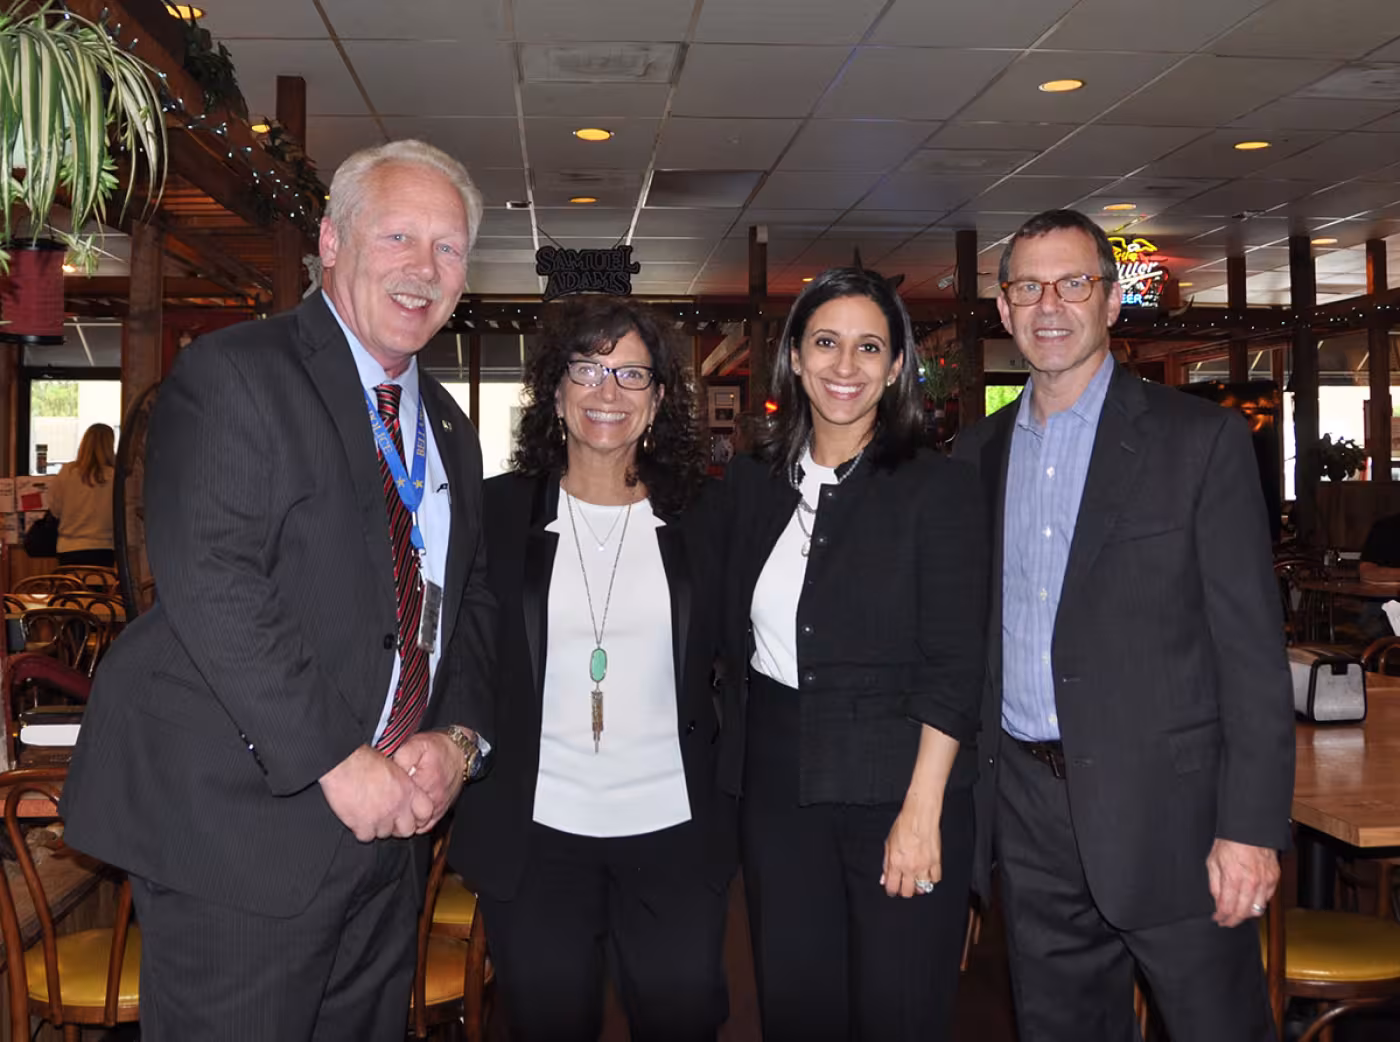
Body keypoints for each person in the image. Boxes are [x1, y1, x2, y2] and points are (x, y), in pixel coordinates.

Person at [61, 139, 495, 1041]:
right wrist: (343, 762)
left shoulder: (449, 425)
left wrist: (456, 743)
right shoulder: (236, 375)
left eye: (448, 248)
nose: (424, 268)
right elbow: (214, 584)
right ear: (332, 243)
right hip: (240, 832)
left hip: (387, 839)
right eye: (399, 237)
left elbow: (472, 606)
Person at [953, 208, 1294, 1041]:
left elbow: (1251, 652)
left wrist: (1249, 829)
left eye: (1074, 283)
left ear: (1110, 302)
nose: (1050, 305)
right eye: (1028, 287)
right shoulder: (974, 457)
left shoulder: (1199, 441)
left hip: (1171, 817)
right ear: (1003, 310)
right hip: (1028, 811)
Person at [450, 297, 734, 1041]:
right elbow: (461, 652)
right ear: (555, 391)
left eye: (632, 374)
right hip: (539, 833)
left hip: (673, 831)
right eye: (588, 370)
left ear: (660, 398)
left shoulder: (708, 518)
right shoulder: (495, 513)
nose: (608, 393)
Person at [715, 267, 989, 1040]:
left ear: (897, 365)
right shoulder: (753, 484)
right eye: (826, 343)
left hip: (900, 792)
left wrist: (921, 812)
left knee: (897, 1014)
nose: (845, 366)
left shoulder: (939, 489)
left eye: (869, 347)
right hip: (778, 796)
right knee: (797, 1007)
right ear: (794, 358)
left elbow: (955, 664)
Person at [48, 422, 116, 567]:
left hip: (68, 548)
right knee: (101, 587)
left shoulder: (67, 472)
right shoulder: (116, 477)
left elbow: (55, 510)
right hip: (104, 548)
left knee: (72, 588)